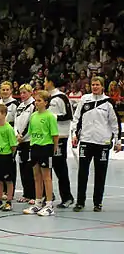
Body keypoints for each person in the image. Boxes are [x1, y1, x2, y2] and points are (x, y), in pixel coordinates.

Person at [72, 77, 121, 212]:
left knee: (100, 174)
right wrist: (74, 135)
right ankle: (80, 202)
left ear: (102, 86)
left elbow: (114, 123)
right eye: (93, 84)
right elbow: (76, 118)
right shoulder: (84, 99)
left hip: (102, 142)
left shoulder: (108, 103)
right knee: (82, 173)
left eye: (97, 85)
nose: (95, 87)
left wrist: (117, 141)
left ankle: (97, 203)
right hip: (86, 141)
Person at [23, 90, 59, 216]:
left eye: (39, 101)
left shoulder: (50, 117)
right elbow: (30, 132)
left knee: (46, 177)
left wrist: (53, 148)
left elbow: (55, 135)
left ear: (46, 103)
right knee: (36, 176)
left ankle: (49, 204)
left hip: (46, 148)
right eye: (35, 100)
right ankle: (38, 203)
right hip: (35, 147)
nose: (36, 103)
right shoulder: (33, 116)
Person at [44, 74, 74, 208]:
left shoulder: (61, 97)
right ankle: (49, 195)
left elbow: (68, 115)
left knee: (60, 167)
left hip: (60, 136)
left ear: (51, 82)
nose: (44, 83)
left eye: (45, 81)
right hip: (48, 137)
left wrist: (52, 117)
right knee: (46, 168)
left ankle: (67, 197)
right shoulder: (47, 98)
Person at [14, 84, 36, 204]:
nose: (22, 95)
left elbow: (31, 123)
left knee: (30, 168)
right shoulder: (20, 106)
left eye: (25, 93)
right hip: (20, 140)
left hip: (29, 141)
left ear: (30, 92)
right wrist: (16, 133)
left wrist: (23, 136)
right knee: (22, 167)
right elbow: (16, 122)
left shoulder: (33, 105)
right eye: (21, 93)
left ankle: (33, 194)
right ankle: (26, 193)